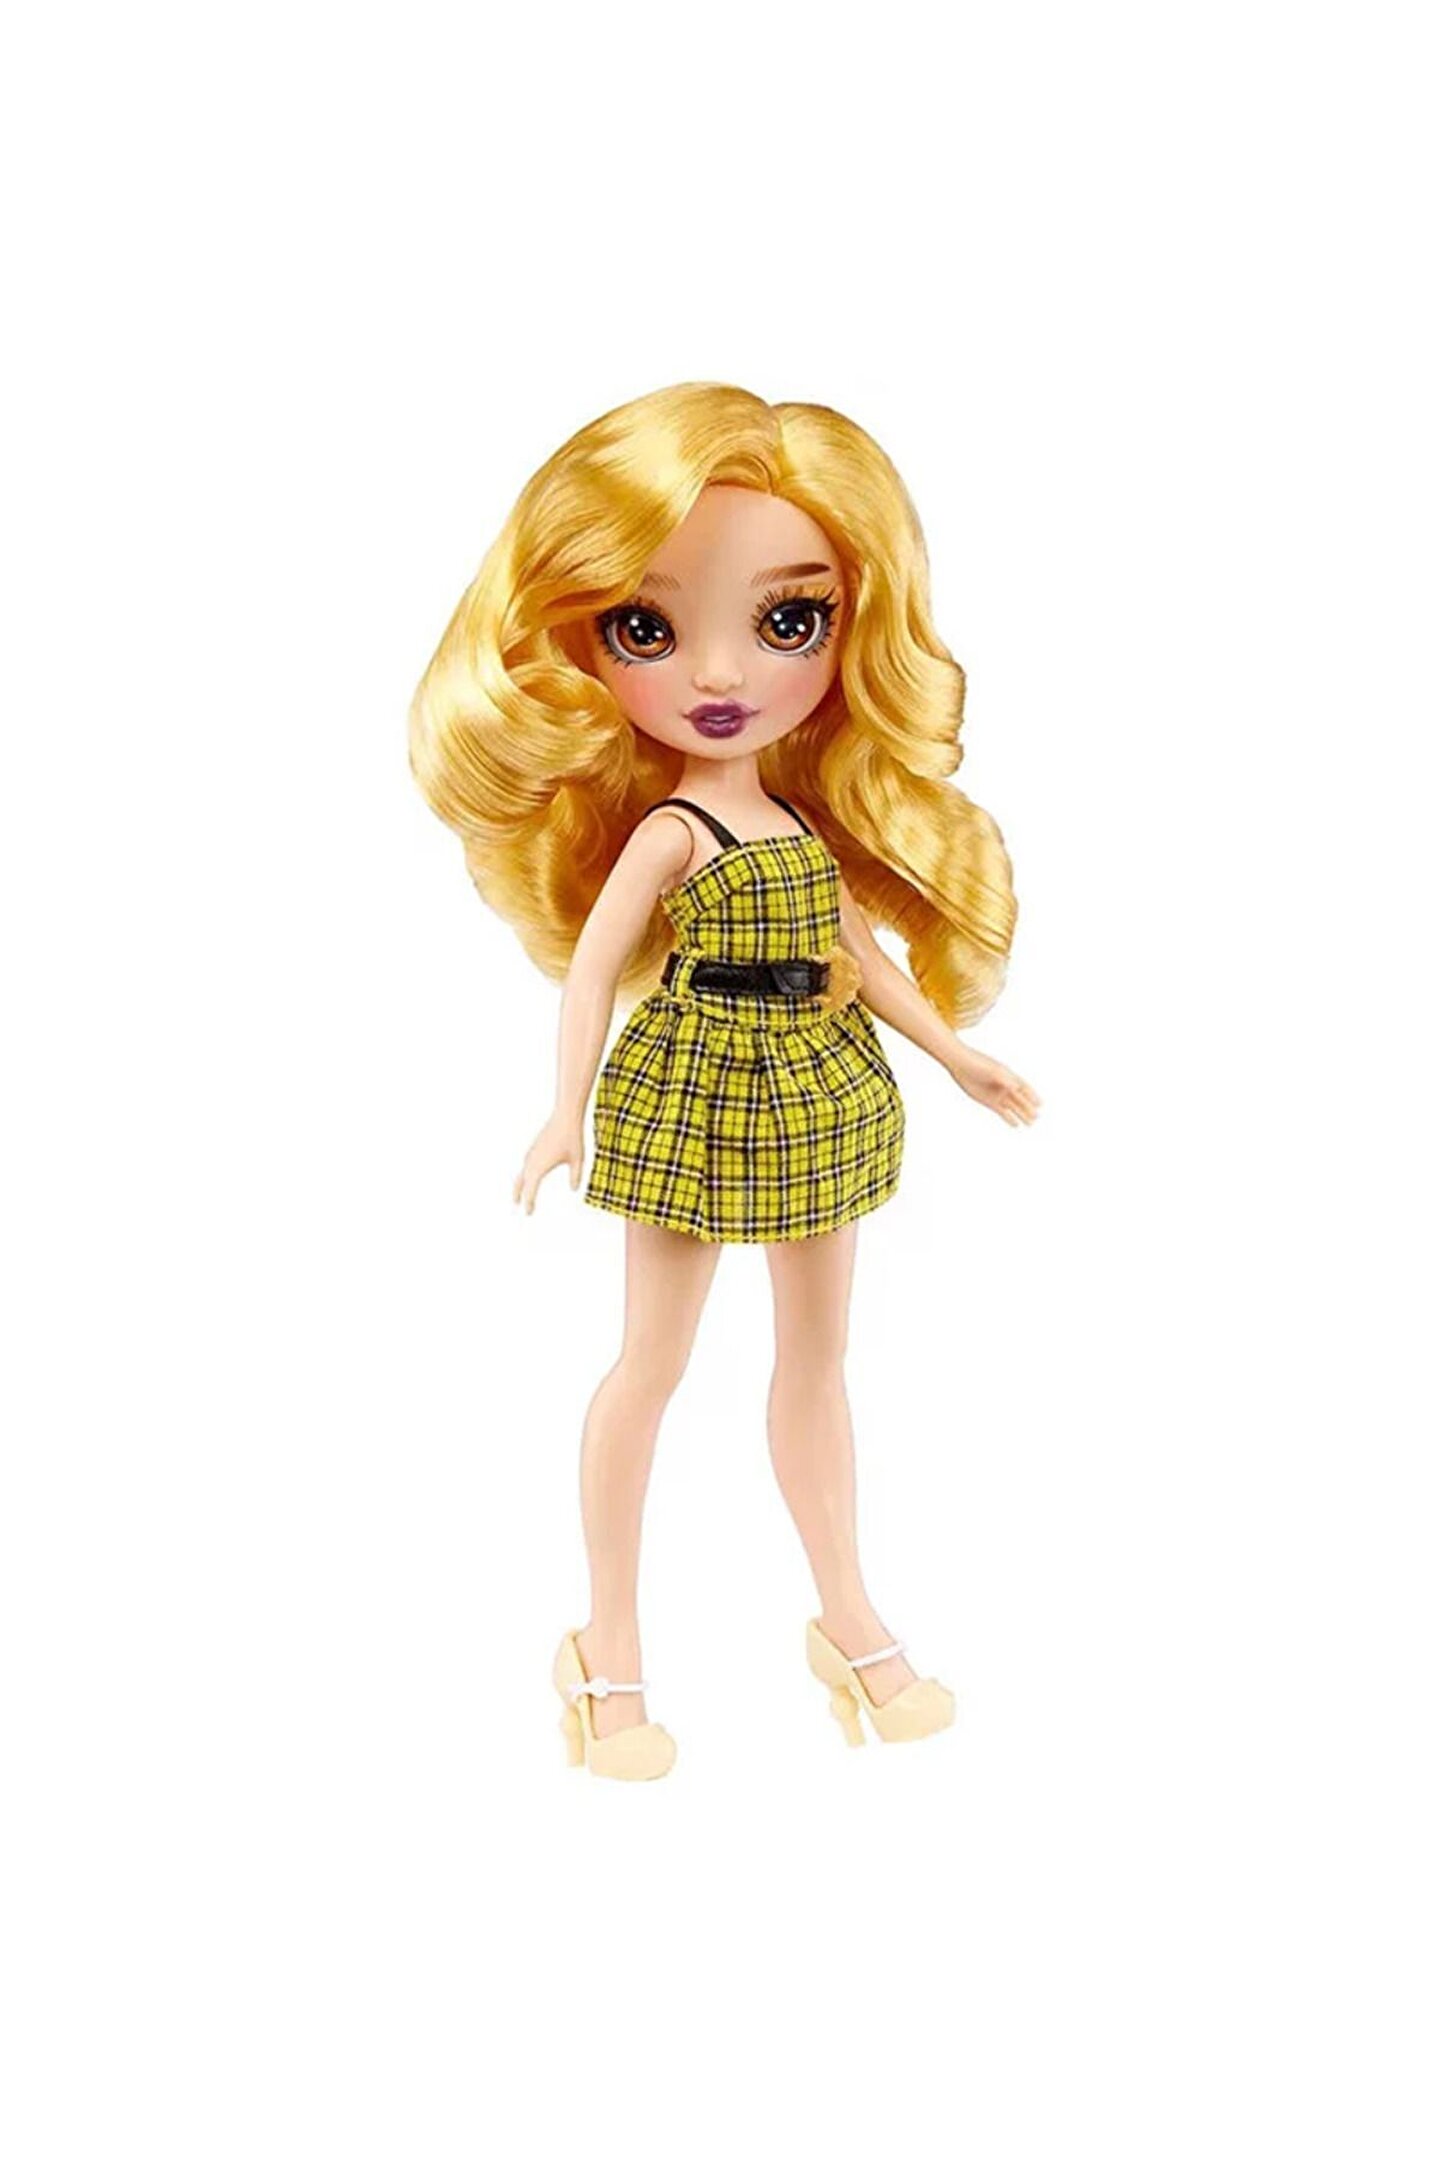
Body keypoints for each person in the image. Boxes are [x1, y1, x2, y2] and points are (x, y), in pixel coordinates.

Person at [409, 382, 1041, 1779]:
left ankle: (850, 1618)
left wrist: (953, 1051)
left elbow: (859, 952)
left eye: (788, 620)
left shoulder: (800, 822)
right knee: (655, 1360)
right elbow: (592, 973)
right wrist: (563, 1110)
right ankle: (607, 1646)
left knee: (818, 1359)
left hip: (819, 1091)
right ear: (582, 647)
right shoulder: (673, 832)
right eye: (646, 627)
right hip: (694, 1092)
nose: (721, 672)